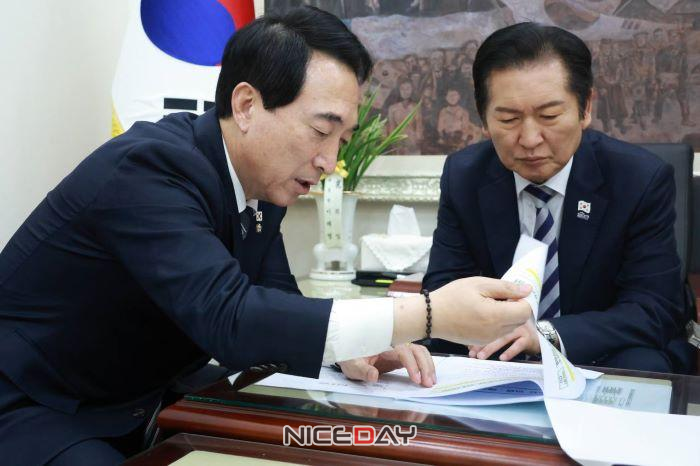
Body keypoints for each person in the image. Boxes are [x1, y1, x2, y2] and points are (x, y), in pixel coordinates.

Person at [0, 7, 532, 465]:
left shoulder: (261, 186)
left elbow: (275, 305)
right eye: (321, 131)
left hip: (138, 397)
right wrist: (429, 314)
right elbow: (231, 319)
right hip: (38, 403)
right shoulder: (151, 168)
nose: (329, 160)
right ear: (247, 105)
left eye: (343, 139)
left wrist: (354, 346)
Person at [423, 22, 693, 374]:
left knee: (644, 367)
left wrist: (544, 335)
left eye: (549, 116)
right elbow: (442, 291)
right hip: (498, 354)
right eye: (509, 119)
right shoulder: (464, 175)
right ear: (484, 119)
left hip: (600, 353)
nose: (530, 138)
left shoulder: (639, 178)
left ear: (586, 108)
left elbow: (653, 308)